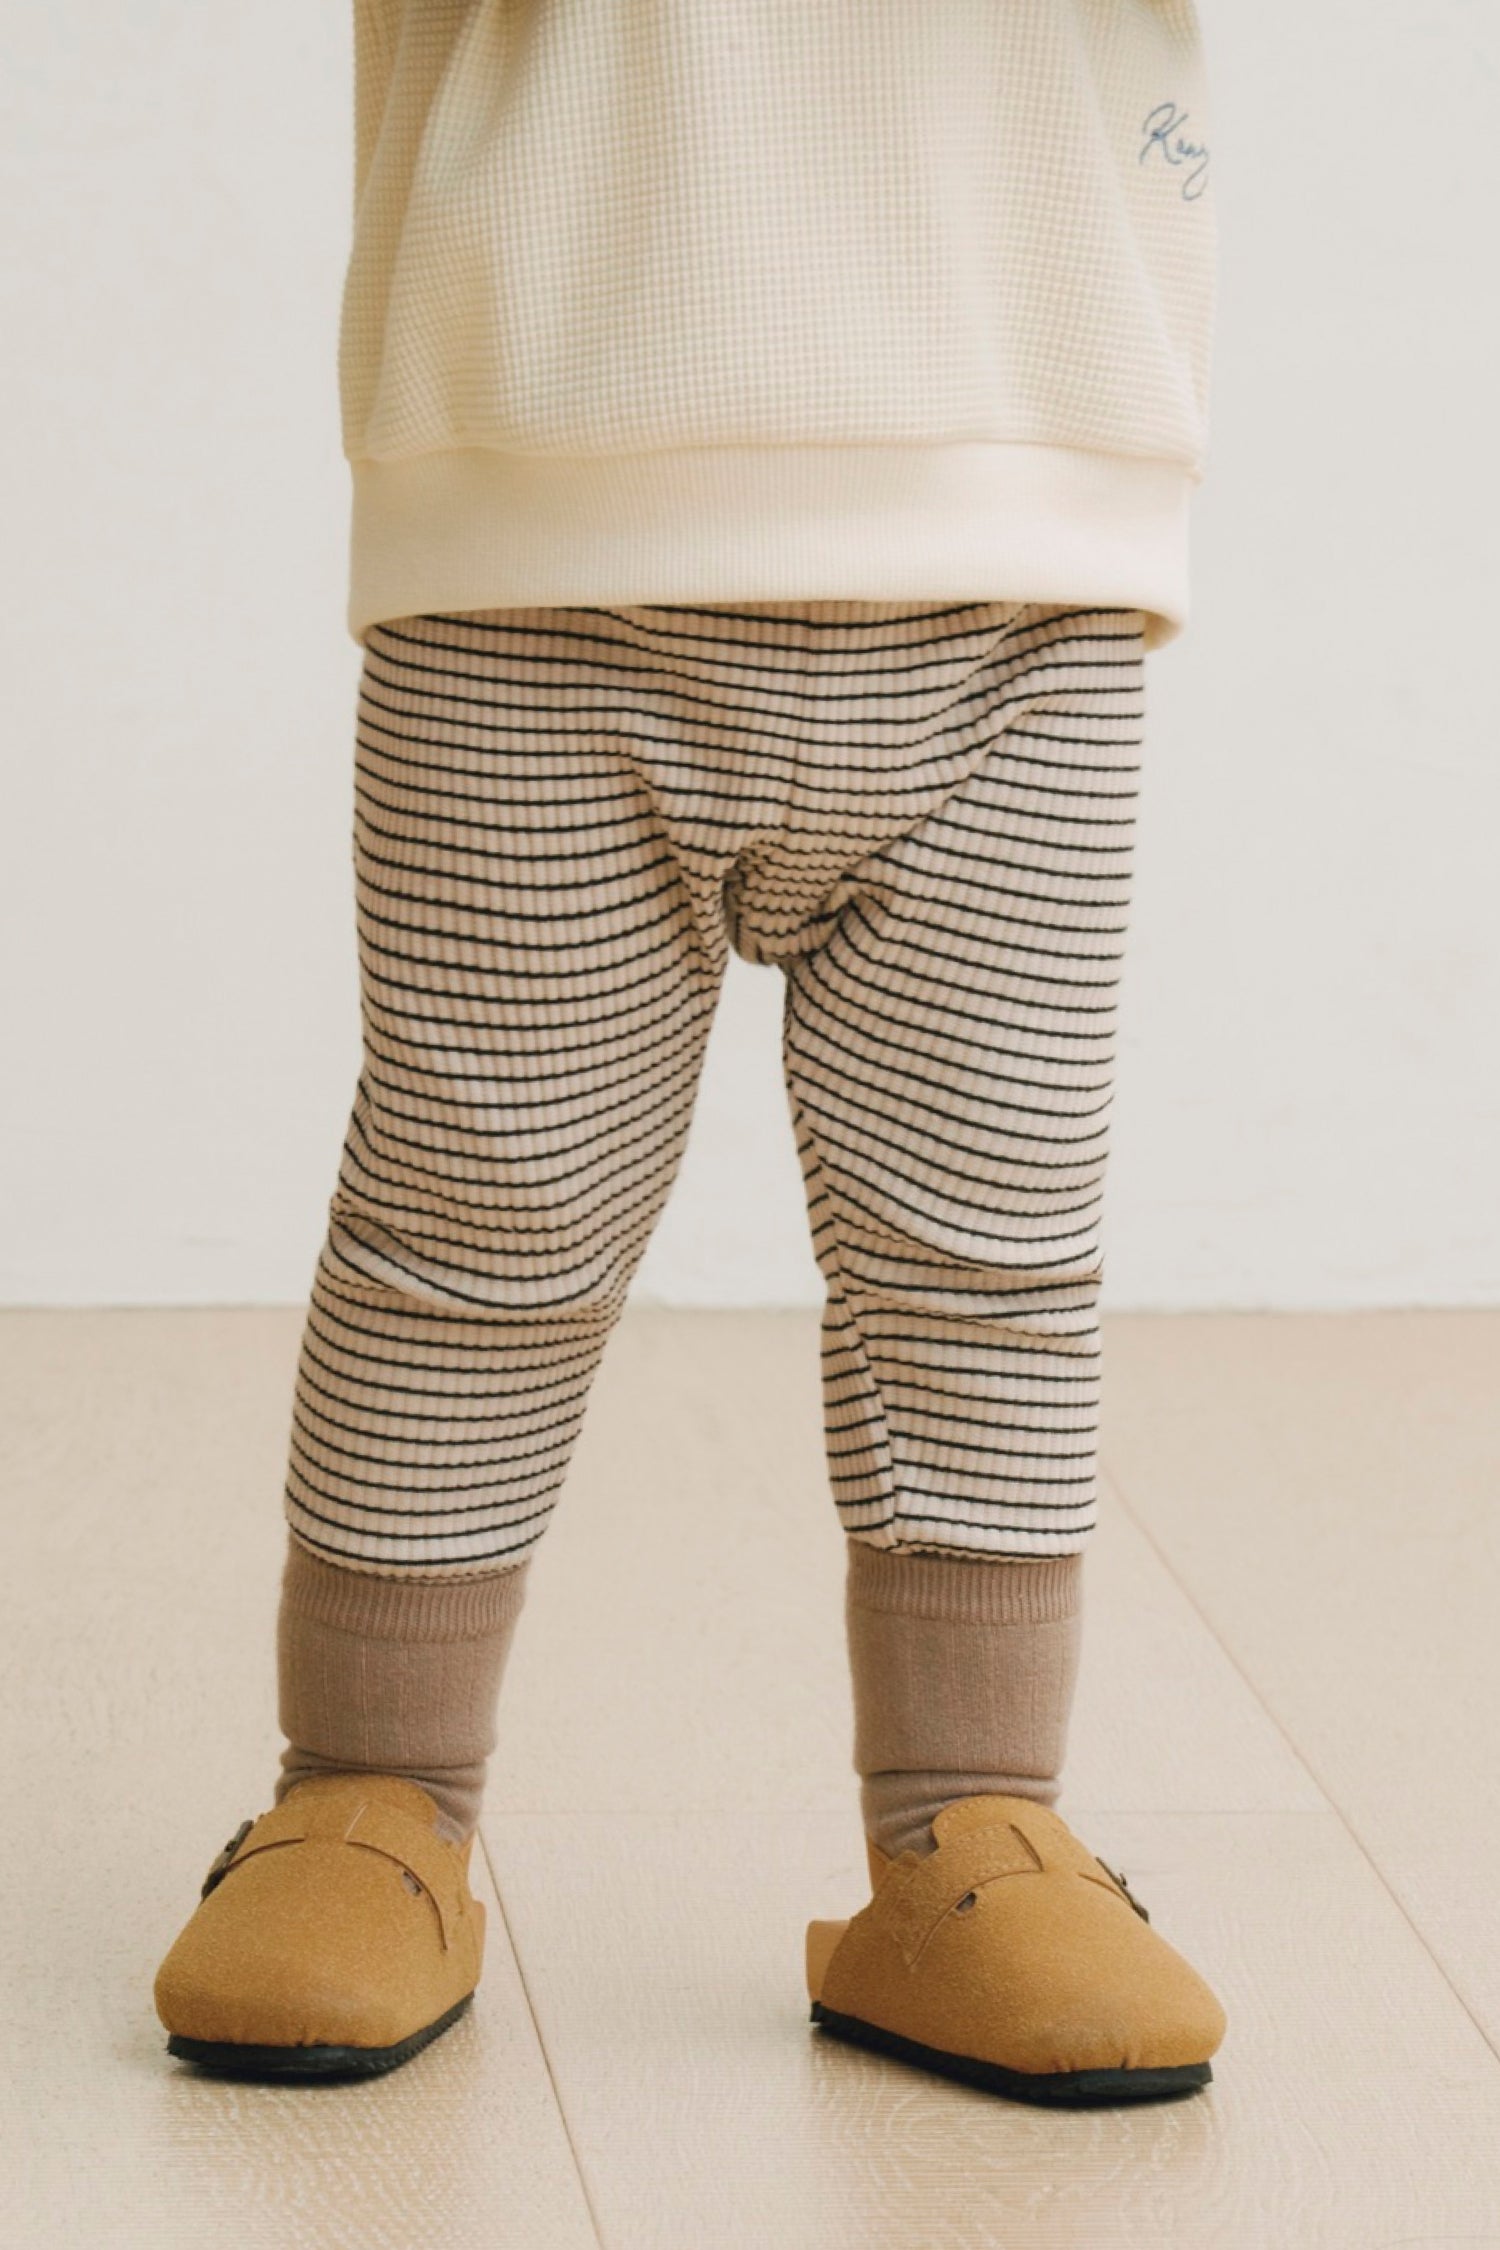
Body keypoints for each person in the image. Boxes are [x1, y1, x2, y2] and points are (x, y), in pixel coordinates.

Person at [153, 0, 1227, 2104]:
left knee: (991, 1240)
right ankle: (370, 1785)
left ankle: (977, 1816)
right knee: (478, 1223)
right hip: (545, 492)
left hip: (1021, 511)